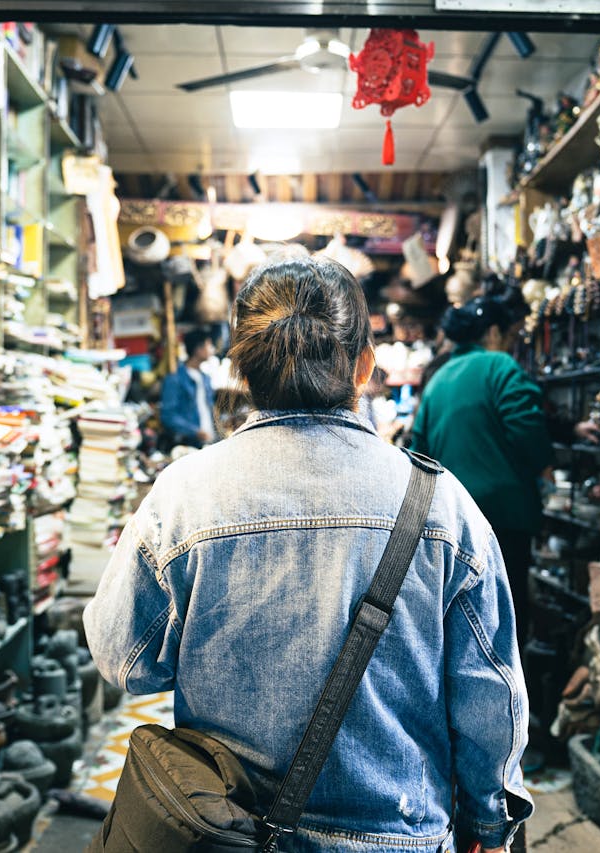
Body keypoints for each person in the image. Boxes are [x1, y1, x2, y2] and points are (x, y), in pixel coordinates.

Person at [84, 257, 532, 853]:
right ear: (364, 367)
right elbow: (489, 696)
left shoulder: (184, 496)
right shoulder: (441, 505)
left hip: (226, 833)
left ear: (241, 373)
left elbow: (125, 660)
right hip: (400, 836)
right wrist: (487, 825)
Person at [408, 295, 552, 647]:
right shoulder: (499, 366)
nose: (509, 344)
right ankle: (511, 699)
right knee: (503, 624)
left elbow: (418, 453)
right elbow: (529, 430)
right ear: (492, 332)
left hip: (449, 524)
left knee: (459, 626)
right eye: (508, 335)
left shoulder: (438, 381)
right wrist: (541, 464)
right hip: (502, 520)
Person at [159, 327, 217, 449]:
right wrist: (195, 431)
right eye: (209, 345)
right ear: (198, 349)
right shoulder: (175, 379)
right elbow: (168, 416)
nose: (212, 349)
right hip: (189, 445)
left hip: (209, 443)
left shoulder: (205, 378)